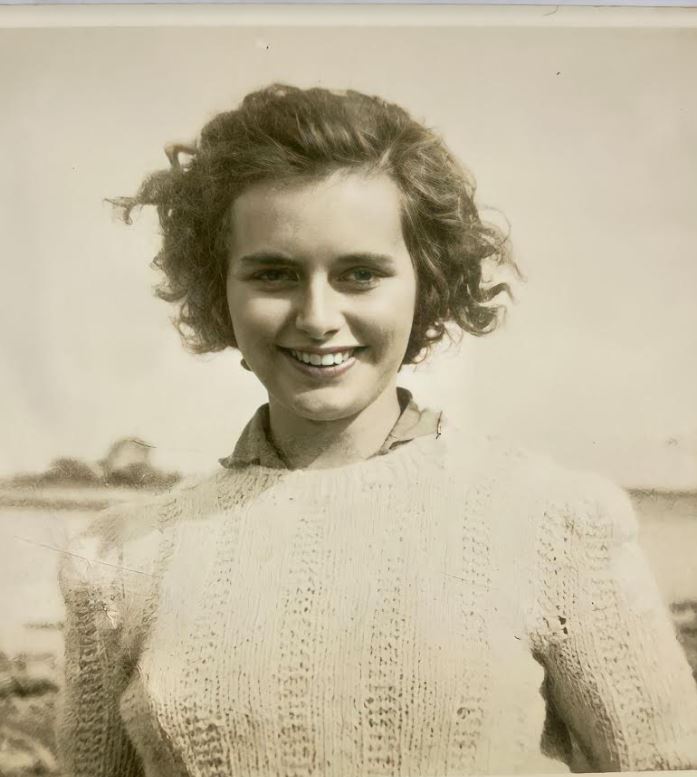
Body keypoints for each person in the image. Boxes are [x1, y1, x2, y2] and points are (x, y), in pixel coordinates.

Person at [57, 84, 697, 777]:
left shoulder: (556, 523)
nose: (317, 316)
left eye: (360, 274)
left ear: (427, 282)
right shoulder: (120, 561)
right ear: (220, 291)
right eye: (274, 274)